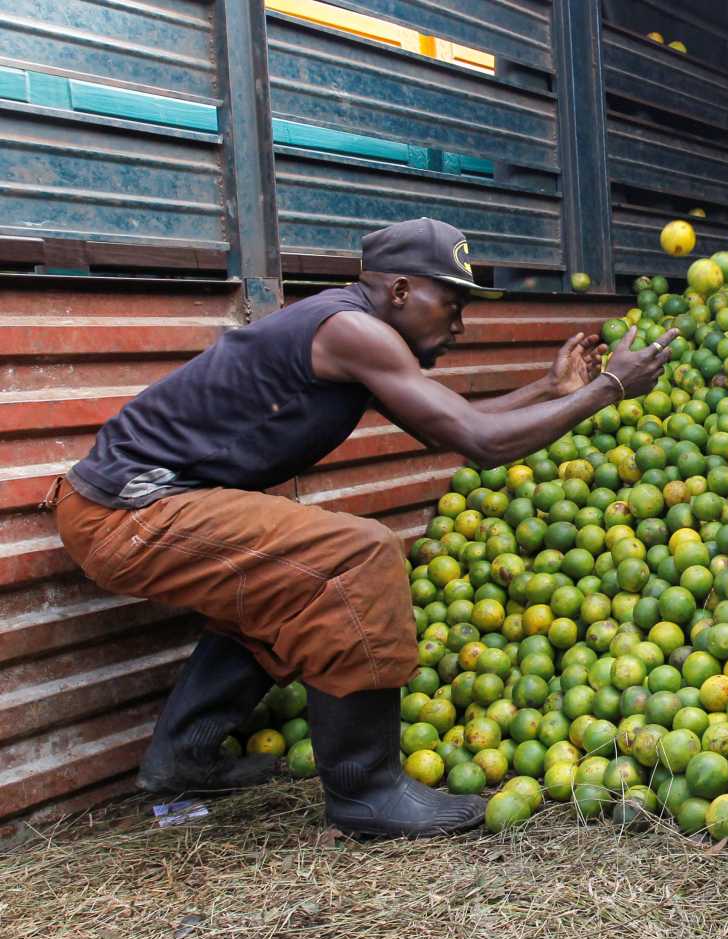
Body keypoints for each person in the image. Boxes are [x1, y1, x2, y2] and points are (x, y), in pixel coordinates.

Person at [43, 218, 677, 838]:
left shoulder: (354, 331)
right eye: (450, 303)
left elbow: (453, 423)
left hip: (132, 507)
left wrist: (549, 388)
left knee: (281, 589)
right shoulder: (352, 330)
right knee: (358, 552)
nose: (459, 325)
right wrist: (610, 389)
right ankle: (368, 791)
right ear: (400, 291)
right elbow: (481, 444)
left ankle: (184, 757)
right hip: (126, 512)